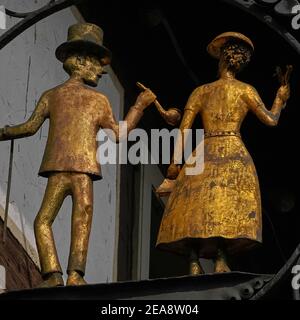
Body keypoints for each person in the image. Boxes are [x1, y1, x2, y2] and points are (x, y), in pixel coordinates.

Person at [0, 23, 156, 287]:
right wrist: (139, 107)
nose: (102, 69)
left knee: (49, 220)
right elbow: (119, 133)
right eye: (96, 62)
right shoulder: (73, 98)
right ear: (81, 61)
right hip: (74, 168)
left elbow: (28, 127)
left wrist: (4, 132)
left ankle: (63, 275)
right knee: (71, 218)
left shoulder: (68, 97)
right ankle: (64, 275)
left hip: (71, 168)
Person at [156, 32, 290, 274]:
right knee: (227, 205)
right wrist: (280, 99)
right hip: (233, 152)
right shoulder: (245, 90)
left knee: (196, 205)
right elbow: (271, 120)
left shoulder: (201, 92)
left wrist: (175, 162)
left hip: (205, 150)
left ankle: (194, 261)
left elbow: (184, 129)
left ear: (221, 59)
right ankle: (220, 258)